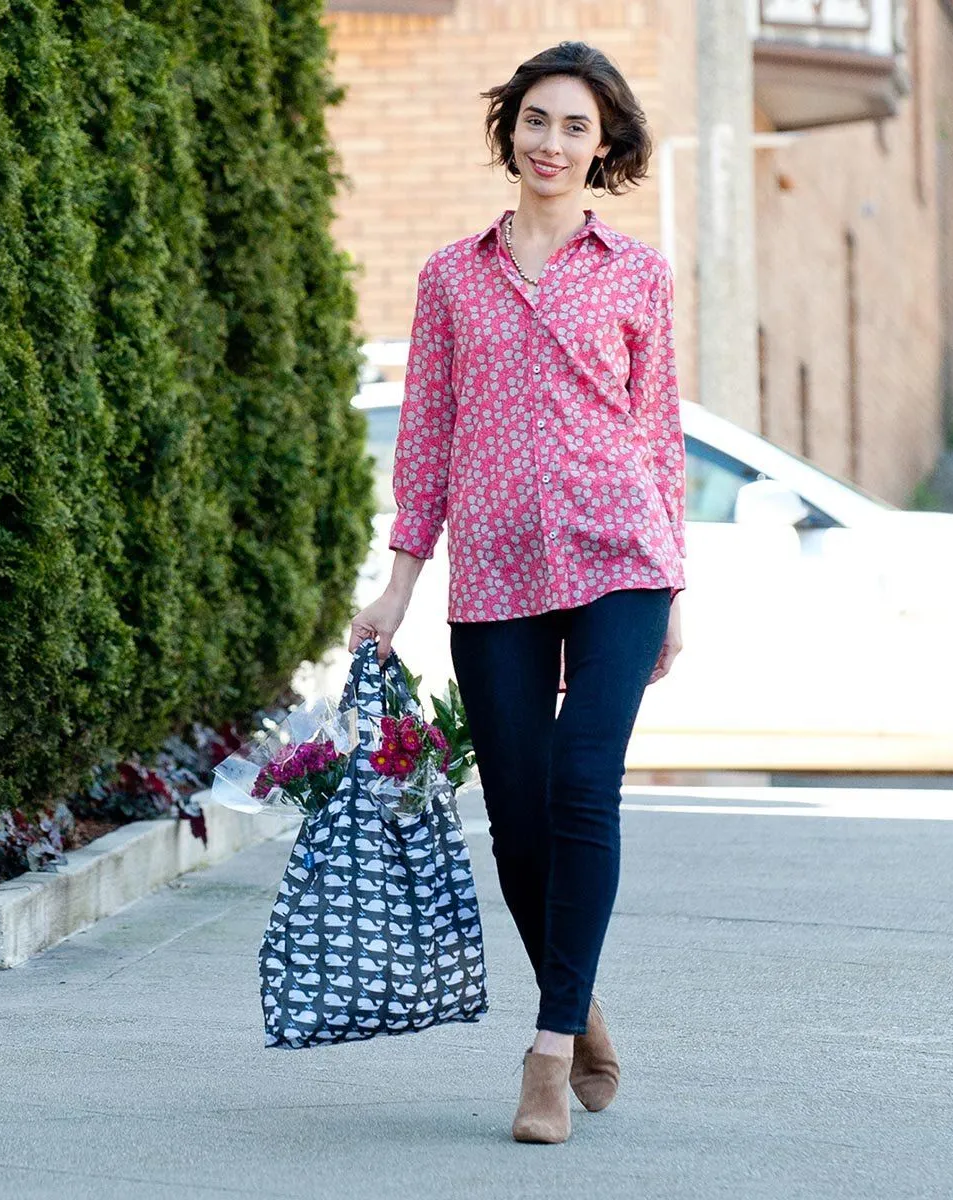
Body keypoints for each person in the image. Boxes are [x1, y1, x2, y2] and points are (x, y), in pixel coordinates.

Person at [347, 40, 686, 1144]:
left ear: (607, 146)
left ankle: (545, 1055)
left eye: (575, 126)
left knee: (584, 781)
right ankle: (576, 997)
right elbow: (429, 439)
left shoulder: (635, 274)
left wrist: (674, 582)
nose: (551, 142)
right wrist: (397, 584)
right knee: (517, 815)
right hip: (492, 568)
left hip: (618, 557)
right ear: (512, 131)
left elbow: (656, 431)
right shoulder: (451, 275)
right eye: (537, 120)